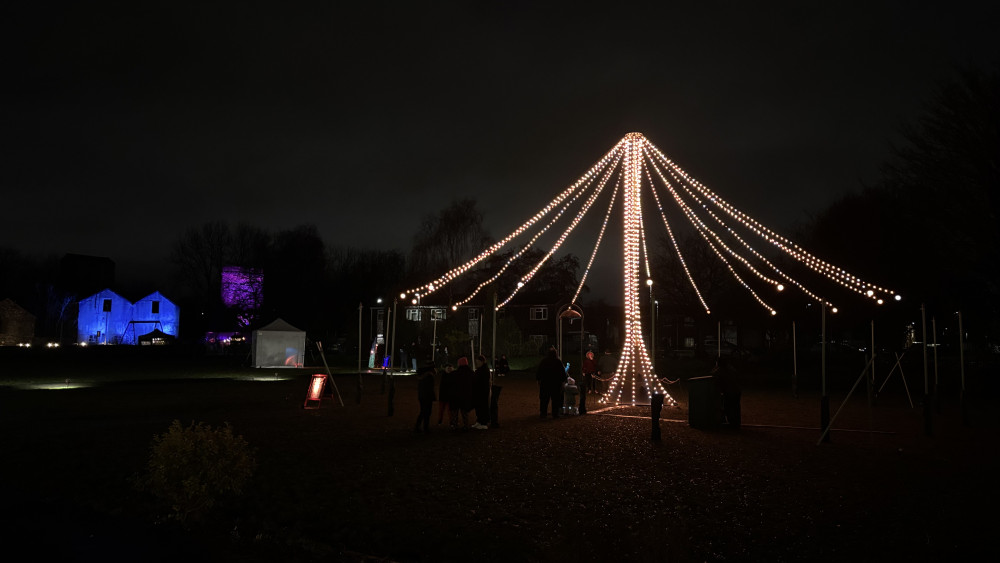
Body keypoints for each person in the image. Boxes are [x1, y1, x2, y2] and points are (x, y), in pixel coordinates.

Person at [536, 347, 567, 418]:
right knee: (555, 399)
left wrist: (538, 380)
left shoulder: (544, 361)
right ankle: (555, 413)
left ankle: (543, 413)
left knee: (544, 399)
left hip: (545, 383)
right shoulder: (558, 362)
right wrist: (563, 381)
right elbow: (562, 373)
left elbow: (539, 371)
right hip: (555, 384)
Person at [712, 356, 741, 429]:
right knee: (736, 407)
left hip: (729, 392)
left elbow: (713, 375)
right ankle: (736, 424)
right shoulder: (731, 369)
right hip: (737, 391)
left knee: (728, 407)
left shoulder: (720, 370)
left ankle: (732, 424)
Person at [453, 356, 475, 430]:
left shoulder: (456, 373)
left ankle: (455, 425)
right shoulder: (471, 373)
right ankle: (466, 425)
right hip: (466, 395)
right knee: (464, 412)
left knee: (455, 411)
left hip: (457, 395)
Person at [413, 363, 436, 434]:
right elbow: (430, 388)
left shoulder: (423, 376)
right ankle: (425, 427)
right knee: (427, 412)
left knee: (423, 412)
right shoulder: (429, 376)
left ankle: (419, 426)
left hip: (422, 396)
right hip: (427, 397)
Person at [472, 354, 491, 429]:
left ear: (482, 362)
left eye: (478, 362)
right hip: (478, 391)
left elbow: (483, 382)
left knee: (483, 407)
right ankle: (479, 421)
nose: (477, 364)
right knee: (478, 407)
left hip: (482, 392)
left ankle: (483, 423)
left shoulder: (484, 370)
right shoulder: (480, 370)